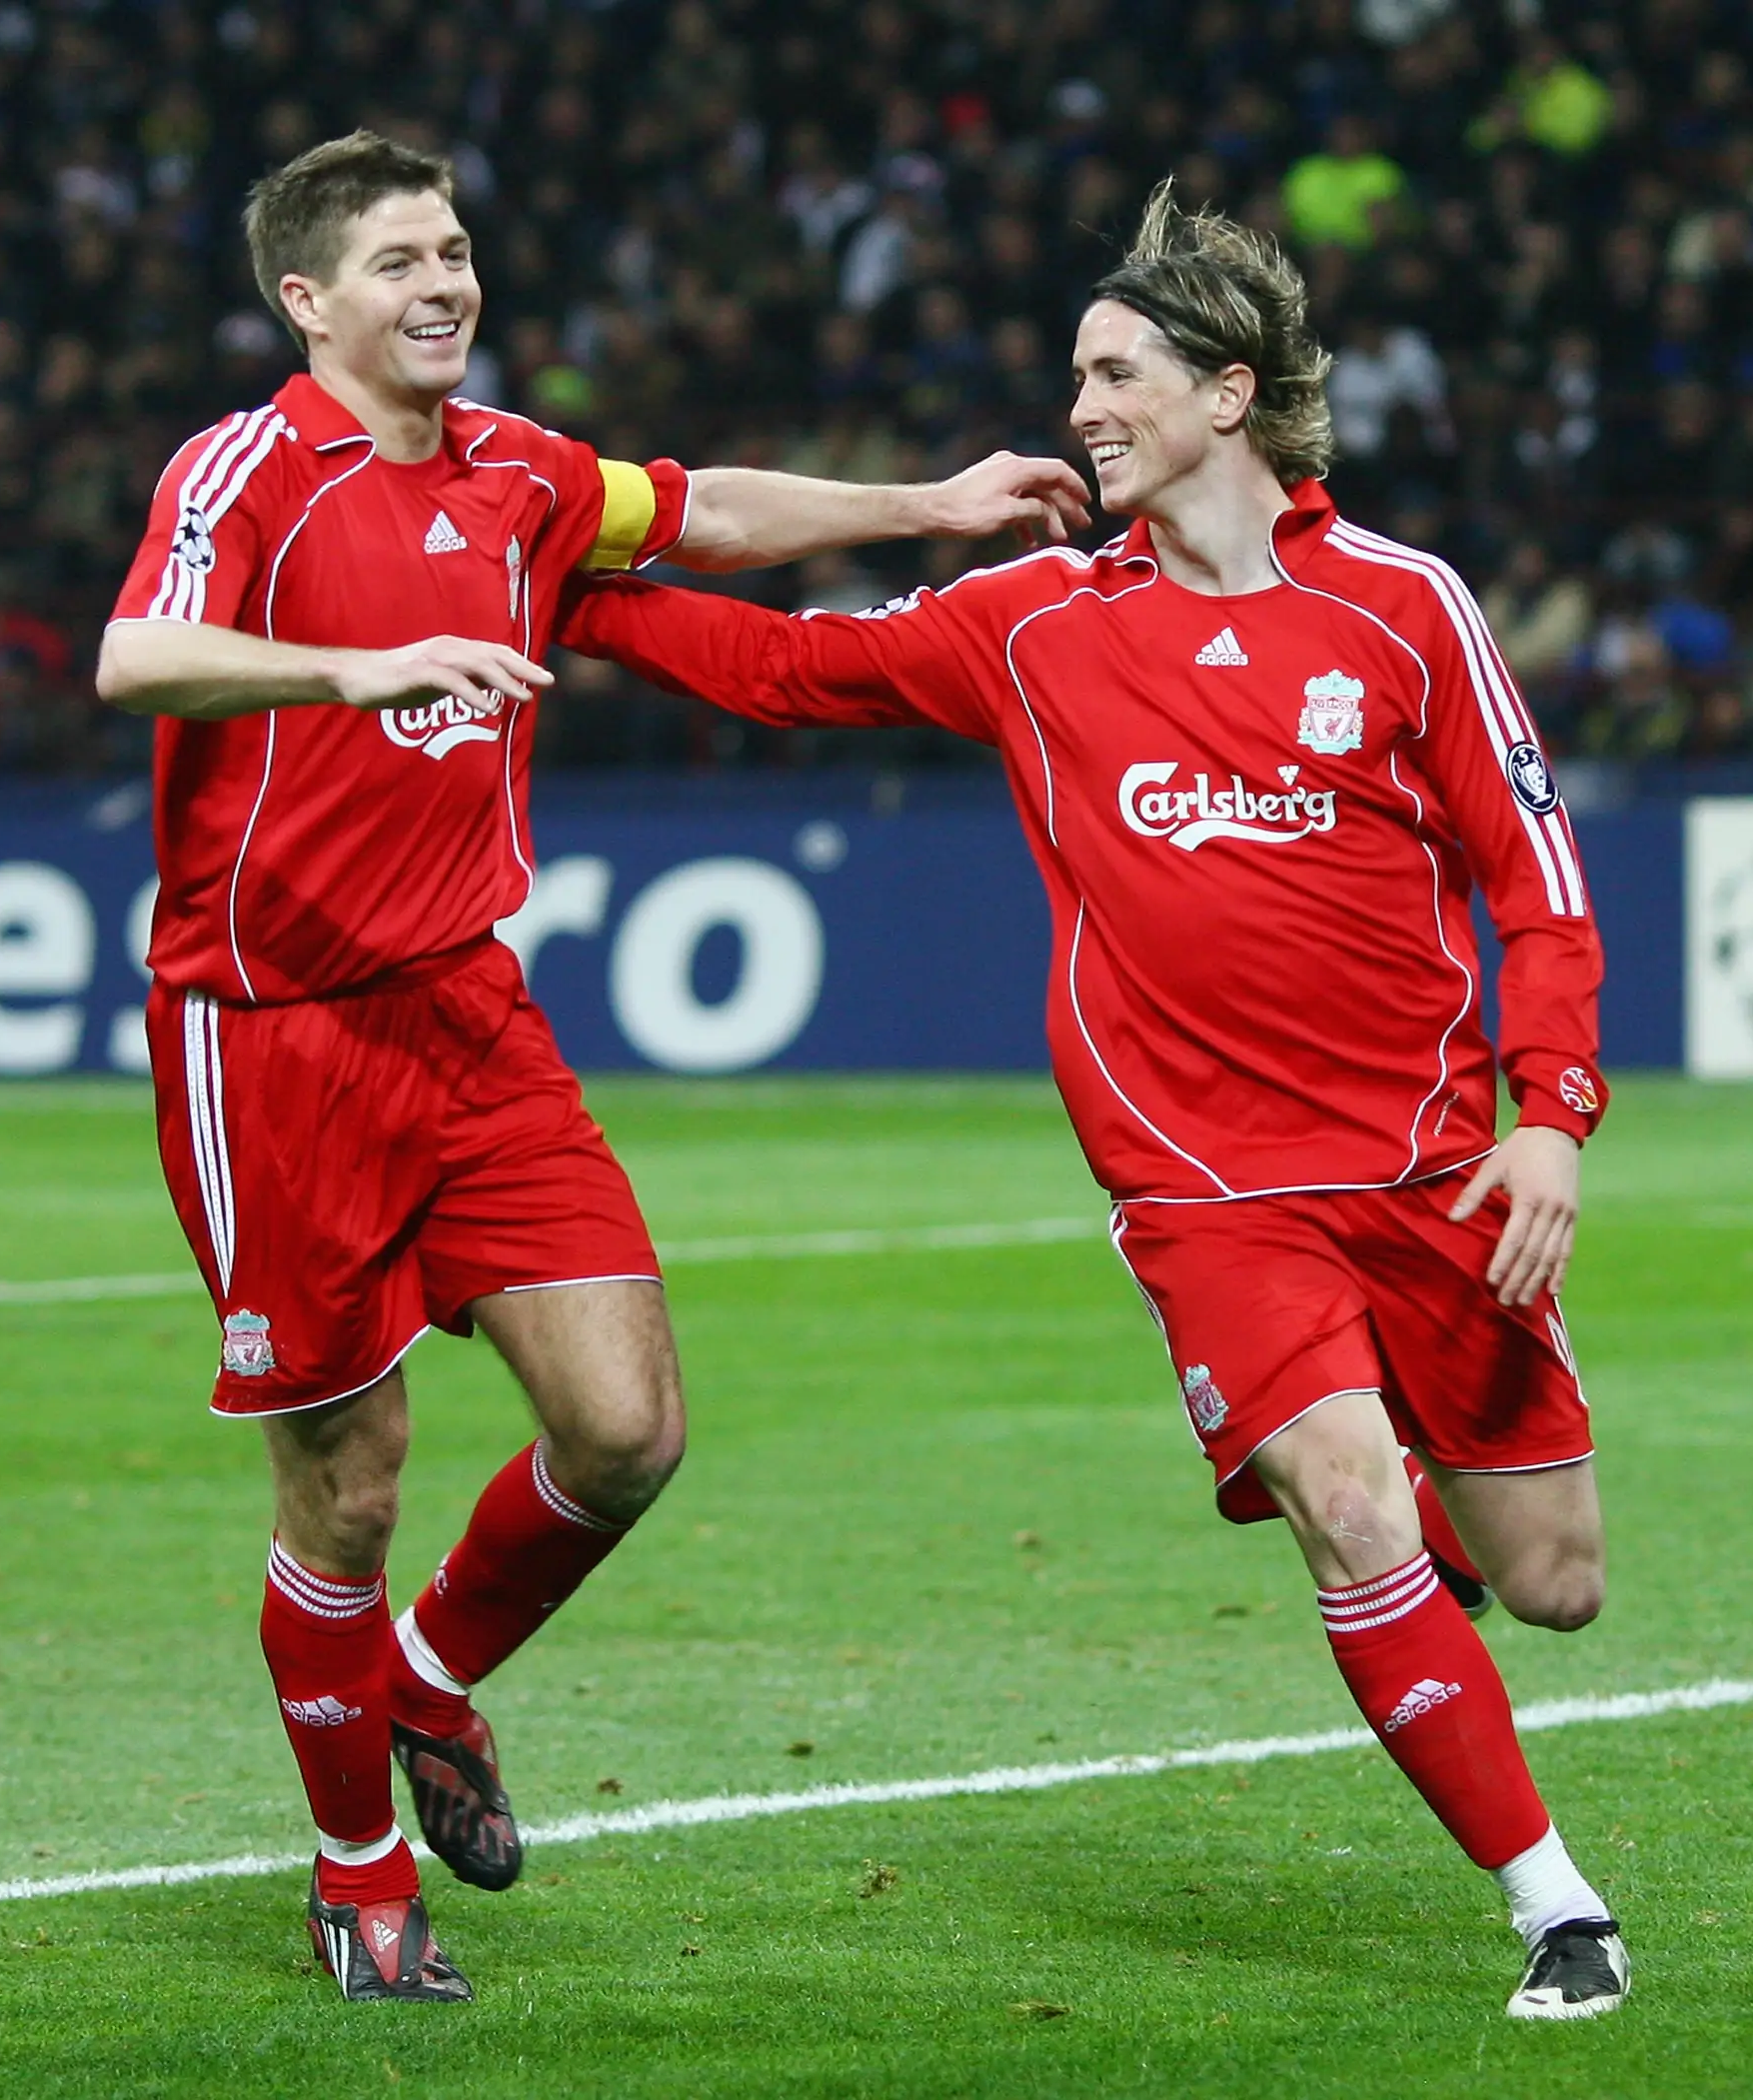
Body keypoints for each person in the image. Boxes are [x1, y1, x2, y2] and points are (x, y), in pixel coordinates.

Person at [560, 183, 1629, 2022]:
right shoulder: (1038, 620)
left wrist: (1552, 1114)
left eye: (1117, 373)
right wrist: (562, 588)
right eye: (1078, 375)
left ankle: (1426, 1514)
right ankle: (1558, 1910)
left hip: (1434, 1168)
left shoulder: (1402, 610)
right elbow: (791, 667)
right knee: (1346, 1501)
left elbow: (1535, 884)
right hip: (1205, 1188)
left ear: (1228, 393)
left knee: (1554, 1581)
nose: (1082, 409)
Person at [92, 130, 1088, 2004]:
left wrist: (932, 503)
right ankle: (359, 1873)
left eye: (456, 250)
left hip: (469, 1020)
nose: (444, 284)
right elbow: (136, 655)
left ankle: (427, 1678)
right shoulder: (245, 468)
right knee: (350, 1487)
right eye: (401, 260)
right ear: (308, 300)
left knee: (627, 1429)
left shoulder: (524, 472)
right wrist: (349, 670)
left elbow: (701, 510)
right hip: (269, 1036)